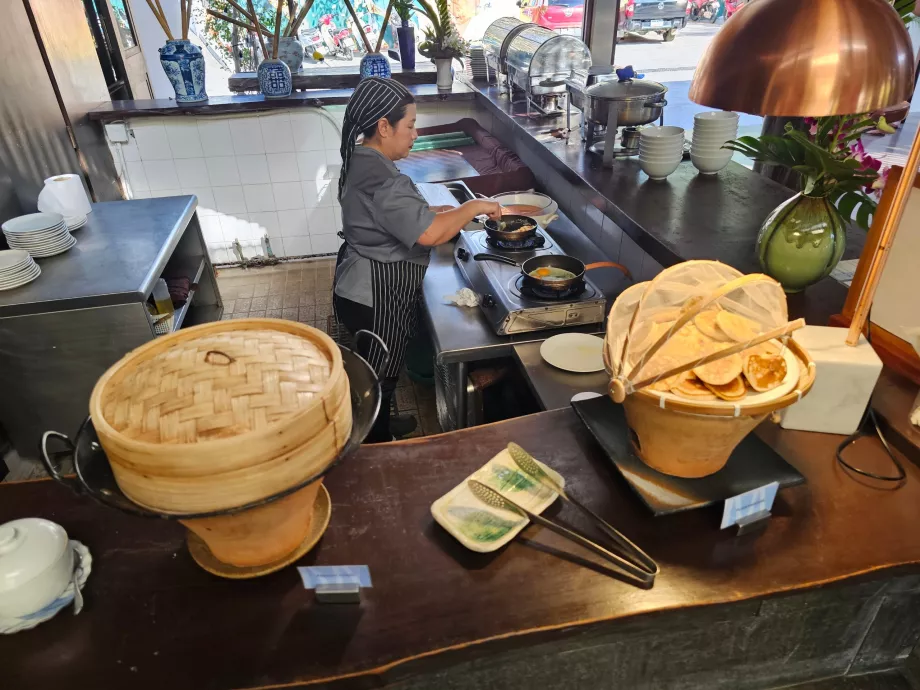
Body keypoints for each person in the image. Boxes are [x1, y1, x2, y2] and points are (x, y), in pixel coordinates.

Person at [332, 77, 501, 443]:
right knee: (377, 377)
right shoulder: (382, 177)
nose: (415, 132)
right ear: (383, 127)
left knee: (378, 370)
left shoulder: (361, 159)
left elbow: (392, 215)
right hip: (374, 294)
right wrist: (473, 206)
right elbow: (430, 235)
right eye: (409, 125)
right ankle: (376, 445)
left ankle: (383, 422)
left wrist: (431, 211)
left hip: (359, 282)